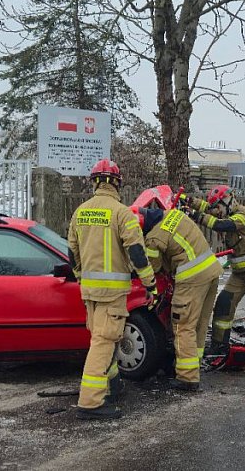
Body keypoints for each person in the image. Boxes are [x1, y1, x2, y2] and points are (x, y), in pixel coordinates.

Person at [67, 159, 157, 420]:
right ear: (117, 182)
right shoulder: (122, 213)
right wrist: (150, 283)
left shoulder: (80, 212)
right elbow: (137, 253)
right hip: (113, 294)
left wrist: (81, 277)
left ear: (94, 182)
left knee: (102, 339)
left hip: (90, 293)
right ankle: (91, 402)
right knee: (104, 343)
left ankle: (113, 384)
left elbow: (72, 252)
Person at [183, 185, 245, 360]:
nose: (217, 211)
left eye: (219, 206)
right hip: (240, 272)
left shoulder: (242, 216)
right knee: (224, 304)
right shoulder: (225, 211)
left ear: (228, 201)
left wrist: (195, 215)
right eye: (216, 207)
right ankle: (219, 344)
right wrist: (188, 200)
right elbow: (208, 208)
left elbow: (221, 225)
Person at [136, 205, 223, 391]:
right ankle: (194, 362)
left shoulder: (153, 238)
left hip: (192, 278)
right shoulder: (173, 214)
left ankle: (187, 377)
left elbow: (155, 267)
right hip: (212, 271)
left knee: (182, 324)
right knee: (199, 321)